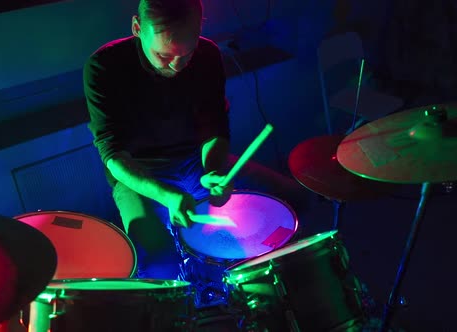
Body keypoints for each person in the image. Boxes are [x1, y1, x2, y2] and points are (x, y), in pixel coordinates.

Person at [84, 0, 316, 307]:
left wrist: (216, 171)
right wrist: (167, 196)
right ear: (137, 28)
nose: (177, 65)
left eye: (187, 53)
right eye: (164, 56)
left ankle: (271, 302)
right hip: (140, 174)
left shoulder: (207, 54)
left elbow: (215, 130)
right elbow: (113, 156)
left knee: (294, 201)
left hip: (197, 162)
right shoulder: (103, 67)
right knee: (158, 264)